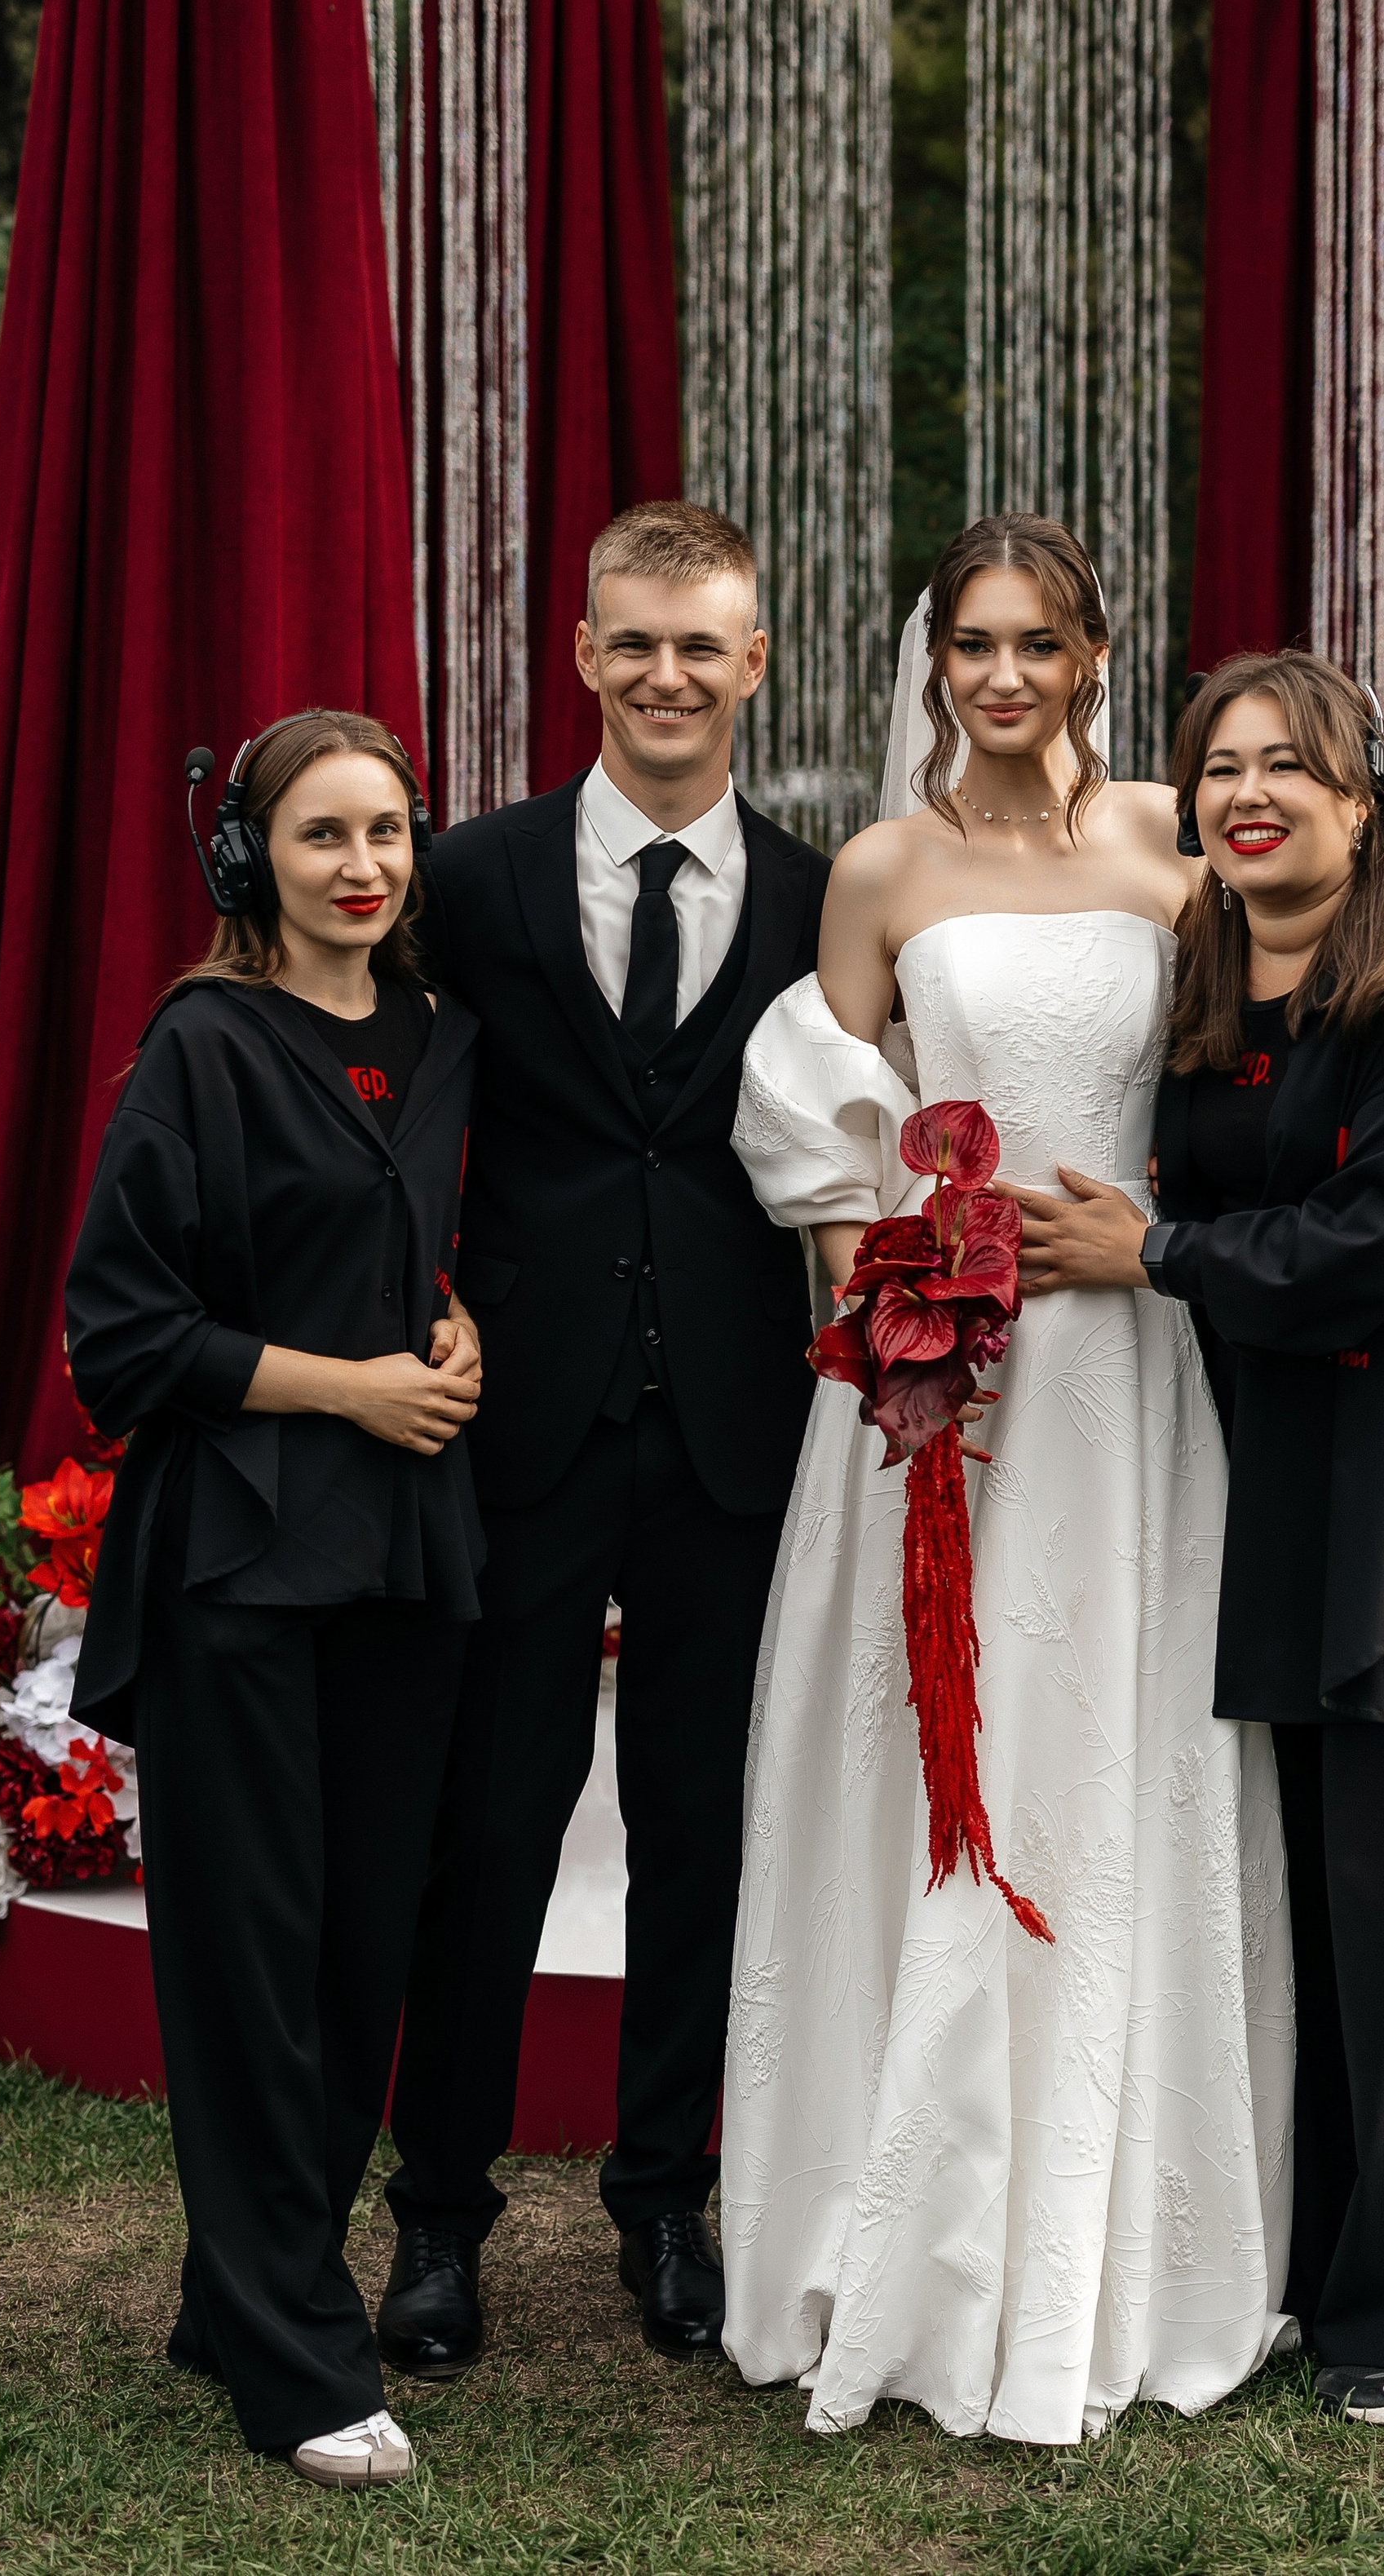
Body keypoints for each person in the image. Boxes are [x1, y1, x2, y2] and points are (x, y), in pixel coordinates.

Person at [721, 514, 1295, 2446]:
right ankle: (909, 2221)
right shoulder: (877, 873)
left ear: (1092, 652)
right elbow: (833, 1155)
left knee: (1111, 1751)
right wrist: (903, 1347)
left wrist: (1162, 1232)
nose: (1000, 674)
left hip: (1133, 1363)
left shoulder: (1167, 844)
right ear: (930, 659)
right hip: (941, 1397)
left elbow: (1248, 1088)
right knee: (925, 1755)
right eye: (971, 640)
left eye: (1036, 640)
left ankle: (1123, 2236)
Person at [1015, 648, 1384, 2431]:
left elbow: (1383, 1237)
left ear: (1368, 799)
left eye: (1289, 765)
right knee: (1321, 1903)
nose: (1245, 793)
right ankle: (1328, 2258)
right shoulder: (1217, 978)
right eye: (1216, 767)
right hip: (1285, 1487)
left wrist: (1162, 1256)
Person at [377, 502, 831, 2375]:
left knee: (701, 1834)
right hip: (515, 1425)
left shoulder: (823, 898)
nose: (663, 673)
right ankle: (436, 2222)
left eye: (698, 642)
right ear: (580, 654)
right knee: (485, 1832)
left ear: (750, 663)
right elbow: (368, 1103)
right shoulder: (467, 878)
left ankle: (667, 2202)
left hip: (739, 1432)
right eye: (629, 640)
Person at [64, 710, 484, 2488]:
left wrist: (451, 1318)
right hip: (241, 1551)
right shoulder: (202, 1045)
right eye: (321, 836)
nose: (362, 867)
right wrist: (350, 1383)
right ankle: (298, 2366)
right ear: (250, 859)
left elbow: (388, 1240)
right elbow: (121, 1332)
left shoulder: (439, 1035)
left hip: (401, 1548)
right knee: (246, 1963)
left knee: (353, 1945)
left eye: (385, 832)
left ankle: (240, 2285)